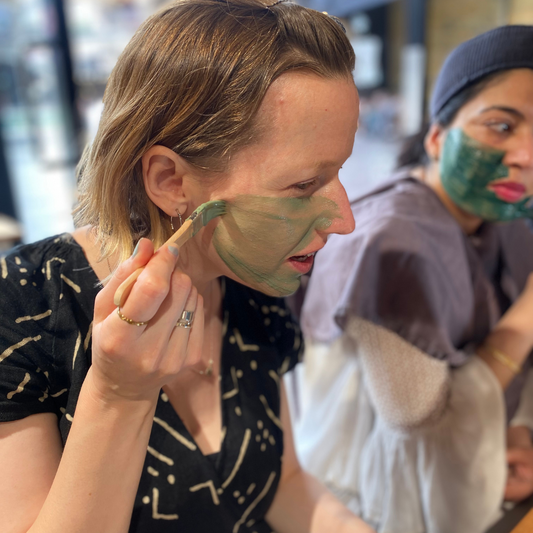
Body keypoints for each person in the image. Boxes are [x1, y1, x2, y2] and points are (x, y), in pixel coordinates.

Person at [0, 1, 375, 532]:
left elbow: (285, 484)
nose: (345, 221)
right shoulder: (26, 305)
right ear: (172, 182)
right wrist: (119, 393)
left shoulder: (252, 283)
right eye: (303, 184)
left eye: (338, 171)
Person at [290, 25, 533, 533]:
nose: (526, 157)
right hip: (370, 504)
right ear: (438, 136)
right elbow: (419, 420)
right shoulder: (392, 243)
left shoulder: (505, 219)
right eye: (502, 127)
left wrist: (512, 433)